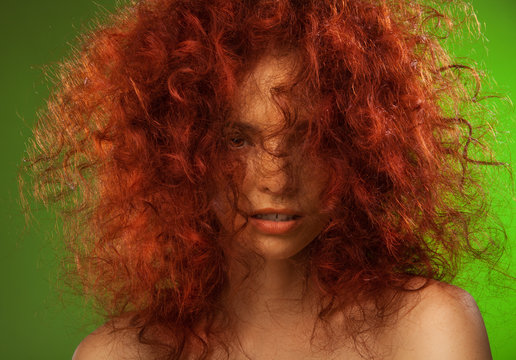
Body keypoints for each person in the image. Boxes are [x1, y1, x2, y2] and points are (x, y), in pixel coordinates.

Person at [24, 0, 504, 359]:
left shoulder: (429, 332)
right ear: (179, 151)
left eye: (309, 136)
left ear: (362, 144)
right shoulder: (119, 354)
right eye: (238, 140)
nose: (276, 178)